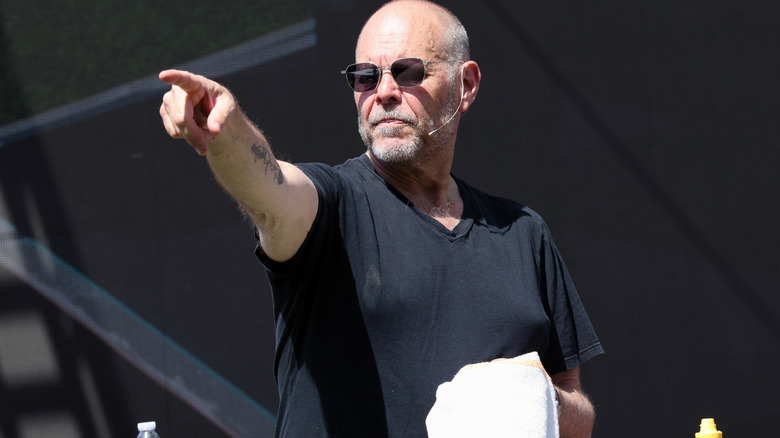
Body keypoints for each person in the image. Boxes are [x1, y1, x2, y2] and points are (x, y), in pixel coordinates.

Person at [158, 0, 604, 437]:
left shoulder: (524, 232)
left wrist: (529, 398)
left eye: (408, 72)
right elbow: (269, 189)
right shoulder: (335, 204)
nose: (384, 91)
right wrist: (225, 132)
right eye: (365, 76)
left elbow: (577, 408)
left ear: (465, 85)